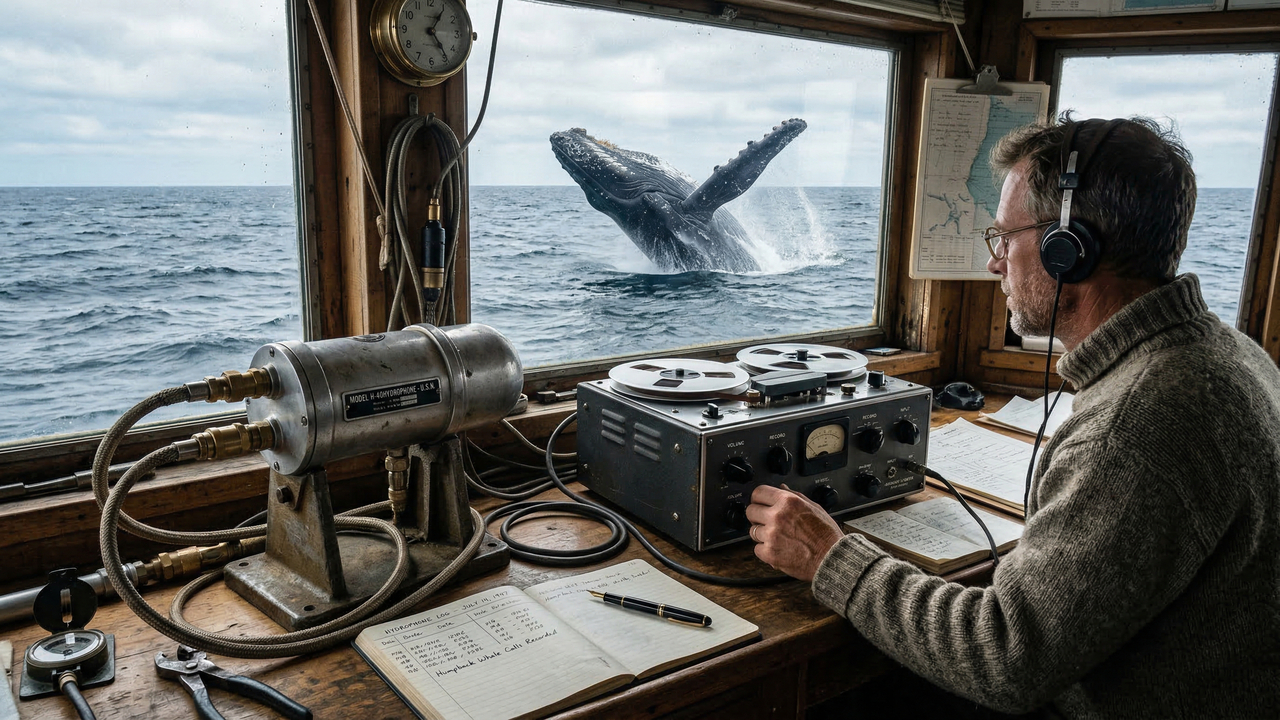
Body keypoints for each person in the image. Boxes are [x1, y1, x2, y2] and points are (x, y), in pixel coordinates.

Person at [745, 117, 1280, 718]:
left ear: (1068, 249)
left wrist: (831, 558)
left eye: (1004, 238)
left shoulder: (1137, 425)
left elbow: (1005, 657)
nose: (996, 263)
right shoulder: (1227, 352)